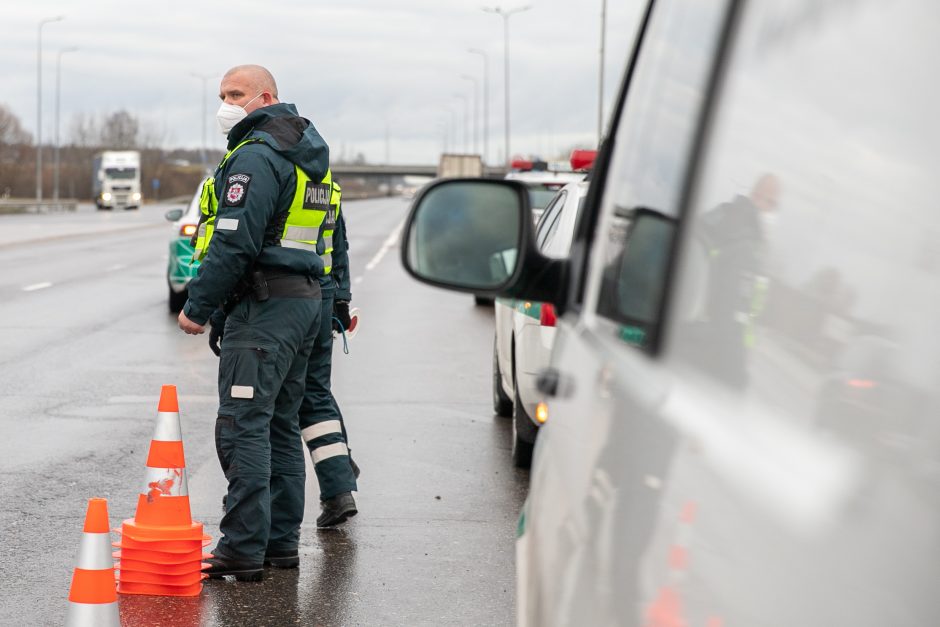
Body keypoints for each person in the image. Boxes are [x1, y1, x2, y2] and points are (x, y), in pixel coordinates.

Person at [177, 64, 331, 581]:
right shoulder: (306, 155)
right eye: (221, 94)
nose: (225, 103)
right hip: (303, 302)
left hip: (266, 309)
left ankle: (243, 548)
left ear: (264, 97)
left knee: (244, 427)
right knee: (281, 427)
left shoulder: (257, 156)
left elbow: (235, 242)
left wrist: (199, 308)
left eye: (235, 94)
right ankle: (278, 543)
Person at [297, 205, 361, 528]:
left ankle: (250, 497)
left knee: (272, 400)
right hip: (322, 299)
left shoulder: (278, 171)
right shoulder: (326, 182)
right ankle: (339, 477)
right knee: (316, 393)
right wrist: (341, 299)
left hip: (287, 301)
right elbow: (340, 248)